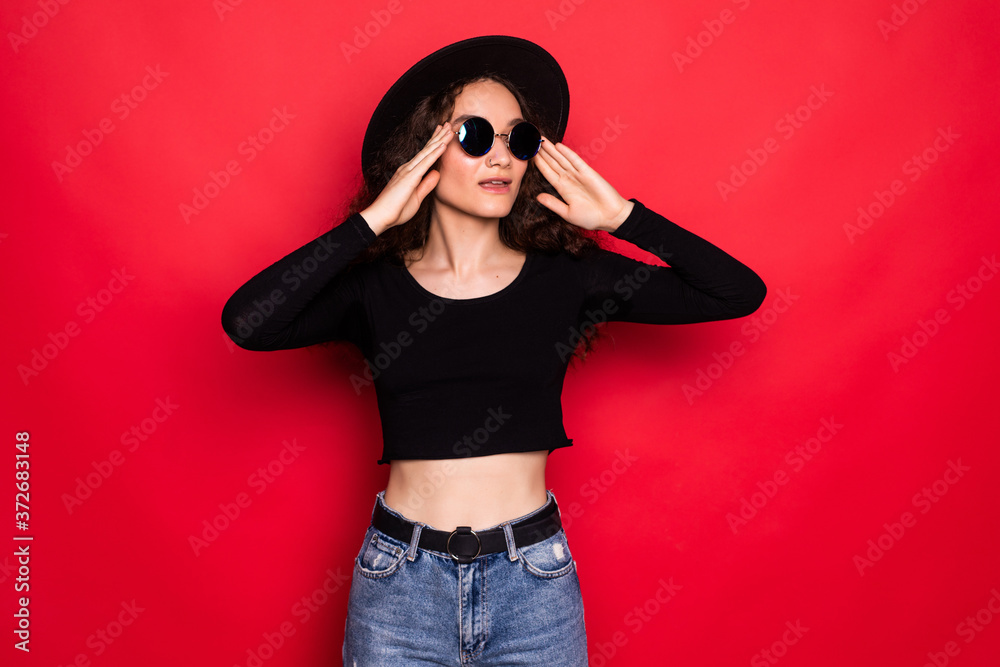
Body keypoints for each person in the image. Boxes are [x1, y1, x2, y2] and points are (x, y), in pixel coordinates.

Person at [221, 35, 766, 666]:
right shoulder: (373, 289)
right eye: (476, 136)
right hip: (399, 583)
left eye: (519, 139)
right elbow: (247, 321)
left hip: (532, 581)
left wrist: (623, 218)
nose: (501, 157)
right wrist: (372, 221)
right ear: (423, 155)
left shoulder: (568, 277)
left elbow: (735, 292)